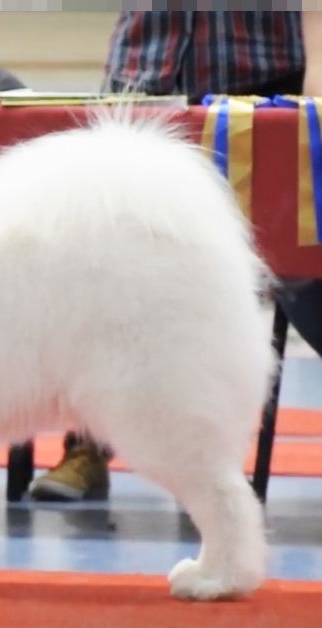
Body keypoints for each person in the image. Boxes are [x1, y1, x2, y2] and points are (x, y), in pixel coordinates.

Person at [29, 10, 322, 502]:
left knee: (293, 272)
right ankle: (87, 444)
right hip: (141, 77)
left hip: (261, 81)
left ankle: (213, 459)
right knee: (98, 272)